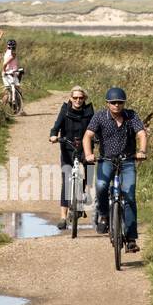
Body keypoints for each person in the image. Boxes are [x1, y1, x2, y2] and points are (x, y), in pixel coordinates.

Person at [82, 86, 147, 252]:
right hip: (106, 160)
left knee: (130, 196)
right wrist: (89, 154)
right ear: (107, 104)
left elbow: (141, 133)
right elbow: (88, 136)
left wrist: (142, 151)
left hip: (127, 161)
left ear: (124, 103)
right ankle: (104, 215)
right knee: (102, 186)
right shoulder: (100, 117)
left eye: (120, 102)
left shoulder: (131, 116)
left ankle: (131, 238)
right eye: (113, 102)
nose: (117, 105)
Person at [47, 86, 94, 228]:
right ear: (70, 98)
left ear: (84, 99)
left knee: (89, 168)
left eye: (81, 98)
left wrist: (97, 138)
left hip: (85, 147)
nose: (78, 100)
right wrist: (53, 135)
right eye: (75, 98)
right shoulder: (65, 110)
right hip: (67, 147)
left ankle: (86, 192)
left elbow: (95, 128)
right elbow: (56, 126)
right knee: (66, 180)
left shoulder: (89, 112)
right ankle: (63, 217)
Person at [0, 38, 24, 109]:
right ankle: (20, 109)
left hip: (8, 73)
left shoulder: (6, 52)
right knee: (18, 90)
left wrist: (4, 71)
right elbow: (5, 64)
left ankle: (2, 108)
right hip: (10, 74)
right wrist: (4, 70)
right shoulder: (13, 54)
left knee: (8, 91)